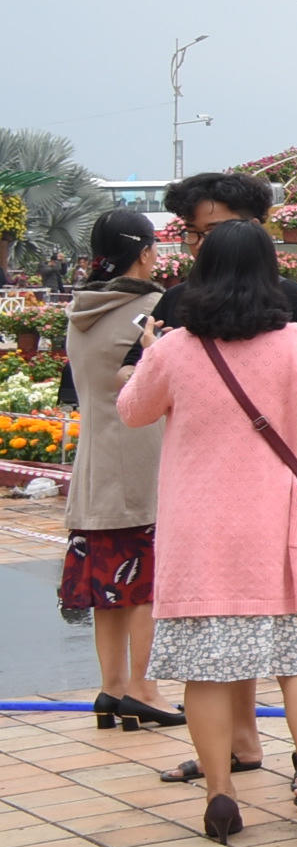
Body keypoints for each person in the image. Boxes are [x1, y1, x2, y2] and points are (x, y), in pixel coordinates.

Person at [117, 220, 297, 843]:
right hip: (279, 528)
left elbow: (132, 411)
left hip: (196, 532)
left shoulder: (175, 349)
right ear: (268, 271)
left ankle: (220, 796)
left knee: (206, 670)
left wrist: (149, 352)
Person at [61, 210, 177, 734]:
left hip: (95, 465)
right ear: (147, 252)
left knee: (106, 584)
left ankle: (111, 687)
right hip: (143, 460)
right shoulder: (153, 308)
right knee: (143, 584)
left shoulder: (80, 309)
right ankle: (144, 689)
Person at [156, 173, 297, 361]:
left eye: (214, 231)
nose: (201, 244)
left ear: (253, 227)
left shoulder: (293, 298)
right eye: (193, 232)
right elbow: (136, 364)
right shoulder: (174, 299)